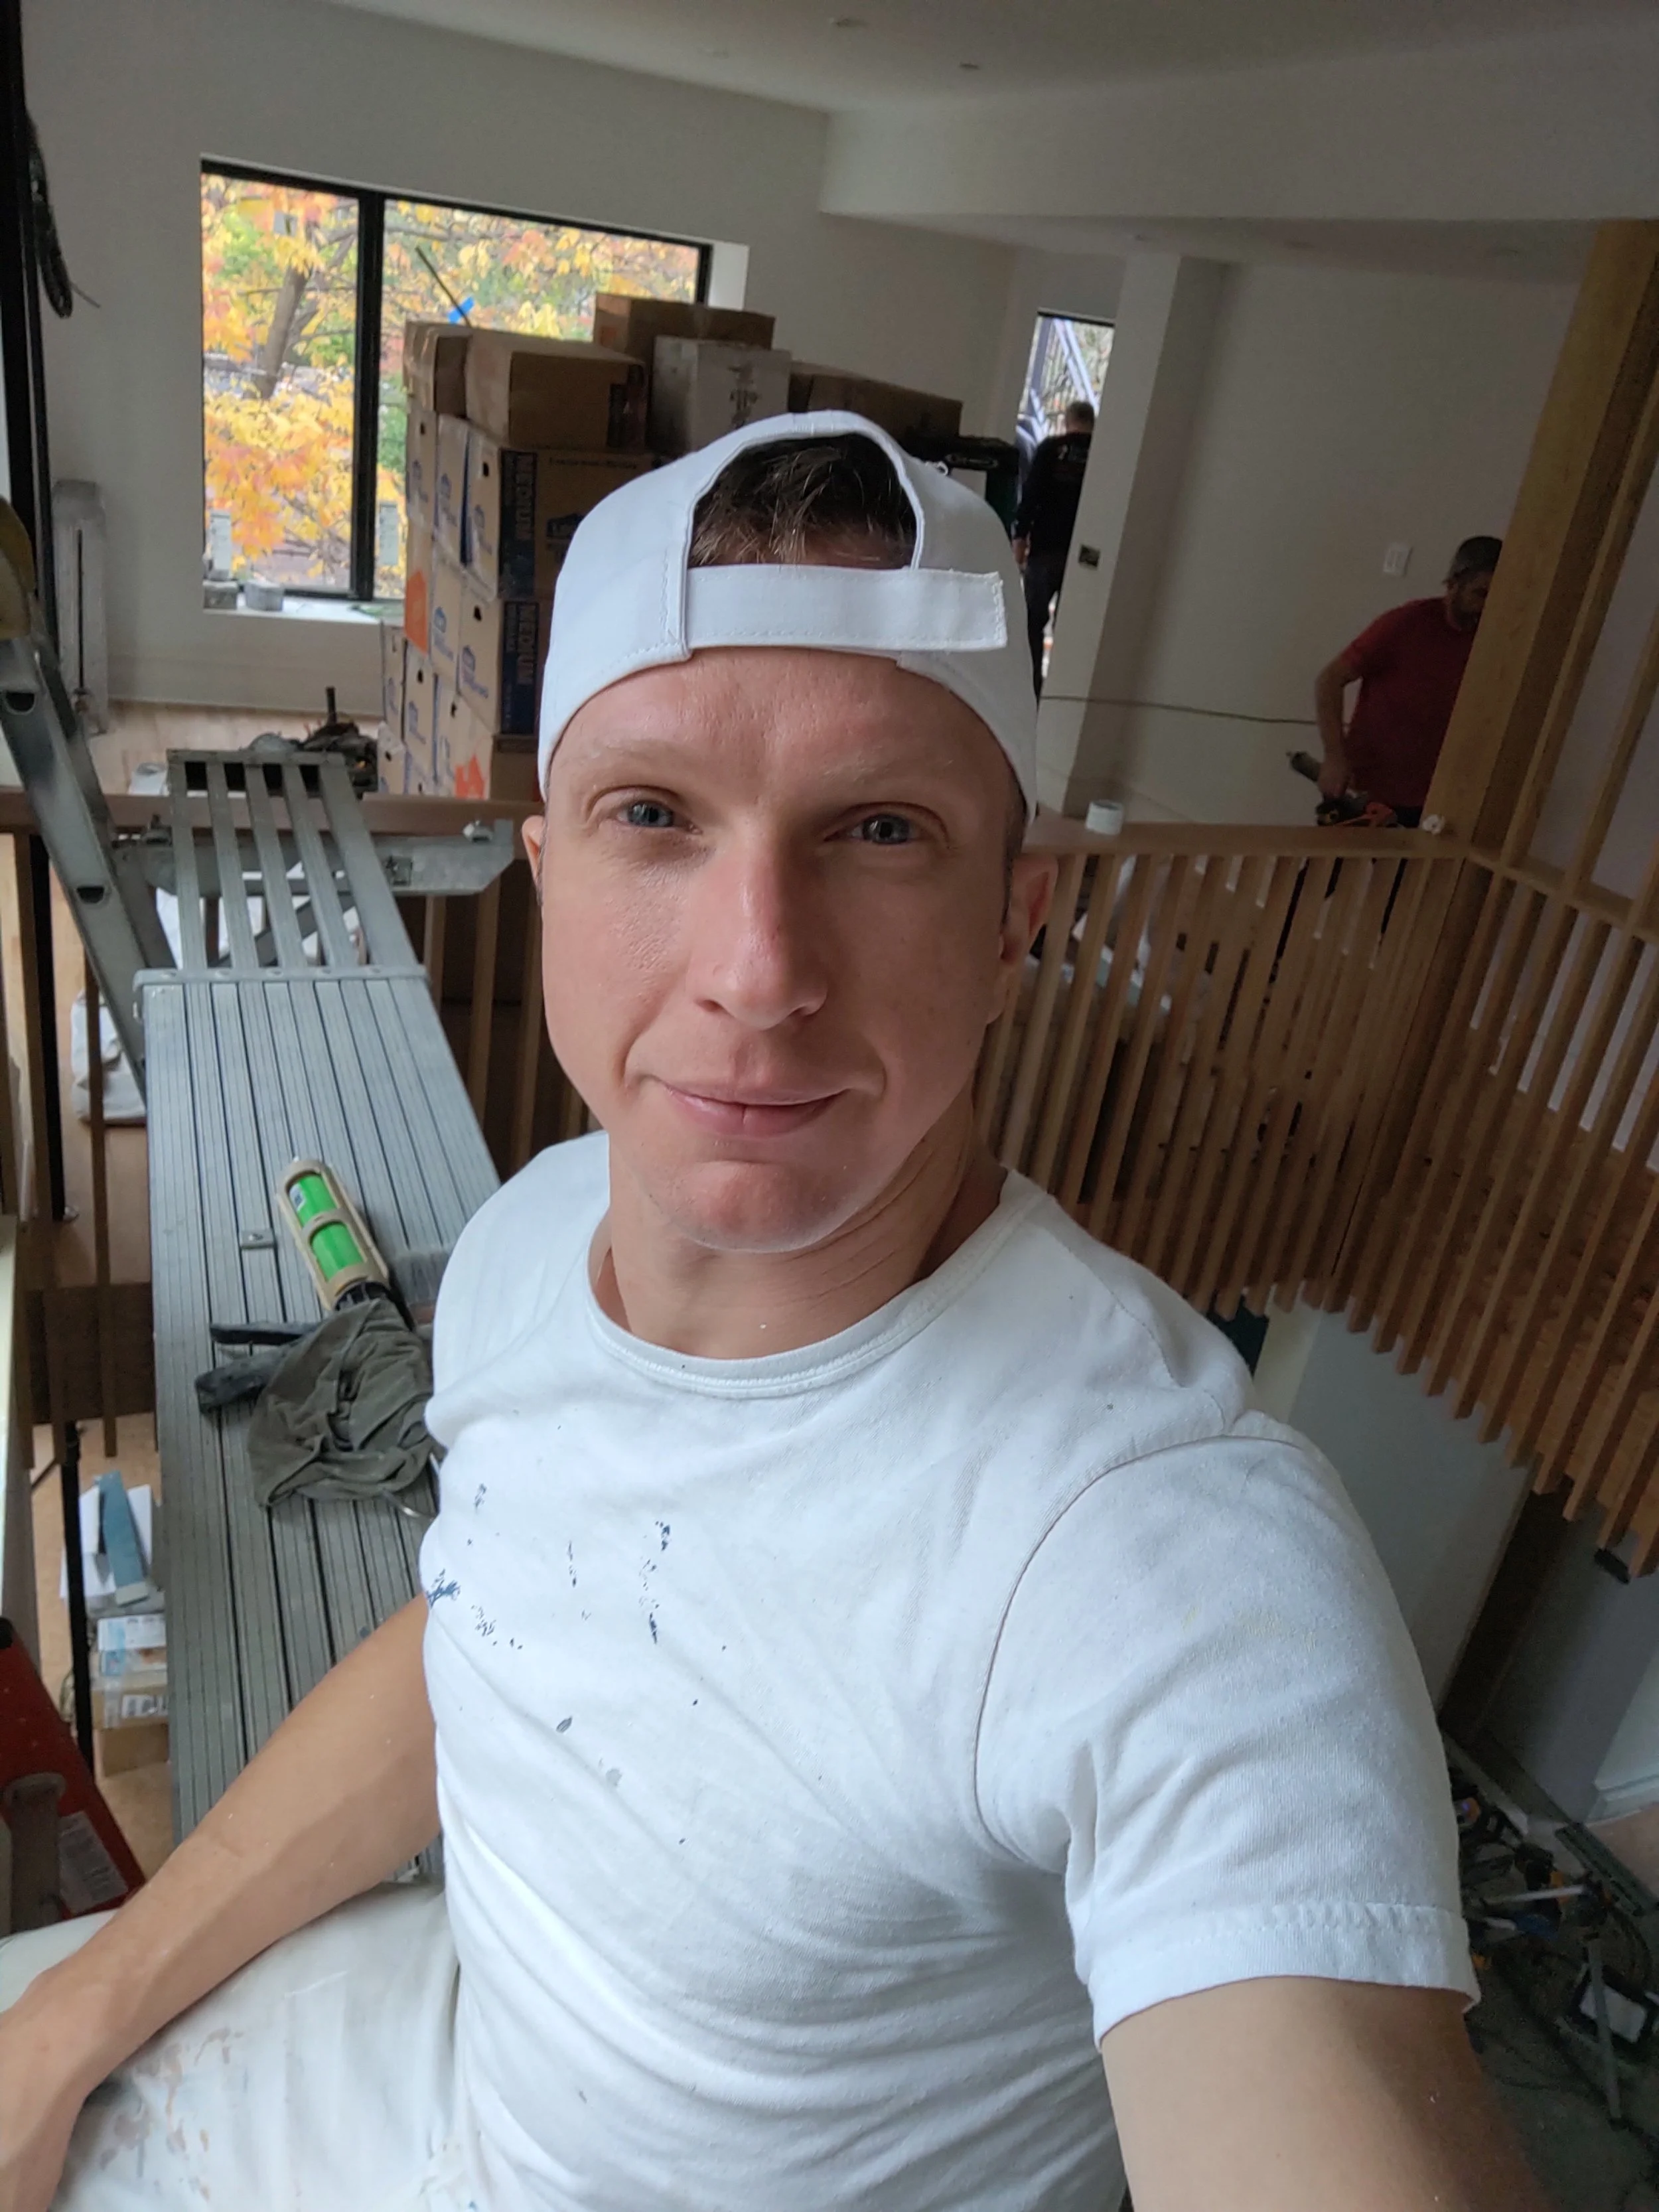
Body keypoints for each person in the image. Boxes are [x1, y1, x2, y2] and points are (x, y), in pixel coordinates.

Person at [0, 417, 1544, 2212]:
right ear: (545, 865)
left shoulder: (1158, 1552)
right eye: (652, 814)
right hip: (446, 2061)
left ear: (1012, 916)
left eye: (878, 830)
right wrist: (81, 2014)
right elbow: (488, 1635)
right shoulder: (526, 1241)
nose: (756, 968)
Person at [1314, 536, 1502, 826]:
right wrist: (1334, 758)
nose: (1486, 607)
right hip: (1369, 787)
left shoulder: (1496, 641)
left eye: (1498, 598)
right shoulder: (1405, 624)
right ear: (1453, 585)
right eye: (1480, 594)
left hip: (1433, 799)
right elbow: (1329, 681)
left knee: (1407, 873)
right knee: (1325, 871)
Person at [1012, 397, 1094, 692]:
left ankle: (1030, 686)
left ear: (1067, 421)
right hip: (1084, 558)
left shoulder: (1050, 450)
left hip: (1046, 549)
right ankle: (1063, 689)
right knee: (1071, 626)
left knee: (1033, 621)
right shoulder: (1103, 457)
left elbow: (1031, 497)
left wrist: (1020, 538)